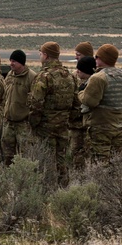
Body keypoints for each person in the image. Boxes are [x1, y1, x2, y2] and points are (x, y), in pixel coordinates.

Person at [28, 42, 78, 185]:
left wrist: (34, 123)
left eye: (40, 53)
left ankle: (47, 187)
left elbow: (36, 104)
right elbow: (76, 103)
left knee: (45, 158)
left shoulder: (43, 77)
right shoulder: (69, 76)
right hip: (63, 125)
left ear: (46, 55)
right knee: (61, 159)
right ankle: (63, 186)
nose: (40, 56)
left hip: (45, 127)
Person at [78, 44, 122, 165]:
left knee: (99, 164)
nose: (95, 59)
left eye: (97, 57)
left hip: (100, 128)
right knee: (116, 163)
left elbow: (90, 101)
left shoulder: (98, 78)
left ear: (102, 59)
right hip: (118, 127)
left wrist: (81, 92)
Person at [1, 49, 37, 167]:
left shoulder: (31, 77)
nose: (11, 63)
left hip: (23, 123)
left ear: (22, 63)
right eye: (11, 60)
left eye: (14, 61)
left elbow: (36, 101)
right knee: (7, 155)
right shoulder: (10, 75)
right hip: (8, 122)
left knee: (26, 155)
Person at [70, 56, 97, 171]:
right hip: (79, 123)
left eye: (79, 70)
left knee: (81, 152)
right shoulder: (84, 81)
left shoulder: (92, 83)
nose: (77, 72)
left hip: (86, 124)